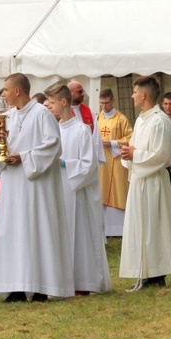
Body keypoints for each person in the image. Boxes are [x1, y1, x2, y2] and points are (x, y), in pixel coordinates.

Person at [0, 73, 74, 302]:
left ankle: (40, 286)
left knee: (37, 230)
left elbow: (54, 144)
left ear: (17, 91)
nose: (3, 94)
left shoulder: (42, 113)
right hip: (12, 187)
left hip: (36, 185)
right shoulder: (8, 117)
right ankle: (16, 286)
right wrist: (2, 153)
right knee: (14, 232)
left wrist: (24, 158)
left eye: (6, 89)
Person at [45, 84, 110, 294]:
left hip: (77, 191)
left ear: (64, 102)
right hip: (58, 189)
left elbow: (89, 165)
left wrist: (65, 164)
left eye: (52, 103)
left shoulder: (81, 130)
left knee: (79, 234)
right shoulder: (52, 130)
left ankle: (84, 281)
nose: (50, 108)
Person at [119, 76, 171, 290]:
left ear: (144, 95)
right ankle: (143, 270)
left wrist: (135, 154)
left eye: (135, 92)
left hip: (154, 181)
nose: (132, 95)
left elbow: (163, 156)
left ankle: (157, 272)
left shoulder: (160, 121)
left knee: (154, 227)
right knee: (140, 227)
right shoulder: (141, 120)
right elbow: (136, 148)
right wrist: (129, 154)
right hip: (139, 179)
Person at [96, 88, 133, 237]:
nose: (104, 106)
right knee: (101, 190)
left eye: (106, 103)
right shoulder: (97, 118)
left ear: (112, 101)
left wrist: (111, 143)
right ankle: (105, 229)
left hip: (116, 161)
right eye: (101, 103)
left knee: (117, 191)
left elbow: (130, 138)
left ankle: (119, 228)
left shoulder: (121, 119)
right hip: (101, 162)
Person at [68, 80, 106, 164]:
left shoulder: (89, 111)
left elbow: (96, 135)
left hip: (89, 156)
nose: (83, 94)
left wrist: (97, 156)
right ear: (70, 93)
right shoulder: (64, 112)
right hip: (72, 156)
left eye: (83, 91)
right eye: (79, 92)